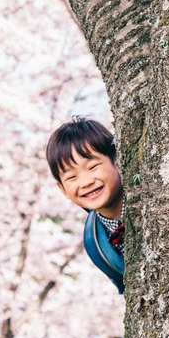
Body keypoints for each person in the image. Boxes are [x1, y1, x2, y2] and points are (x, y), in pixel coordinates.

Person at [46, 117, 125, 293]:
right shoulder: (94, 241)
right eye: (72, 177)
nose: (86, 182)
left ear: (117, 160)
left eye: (93, 167)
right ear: (63, 189)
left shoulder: (149, 199)